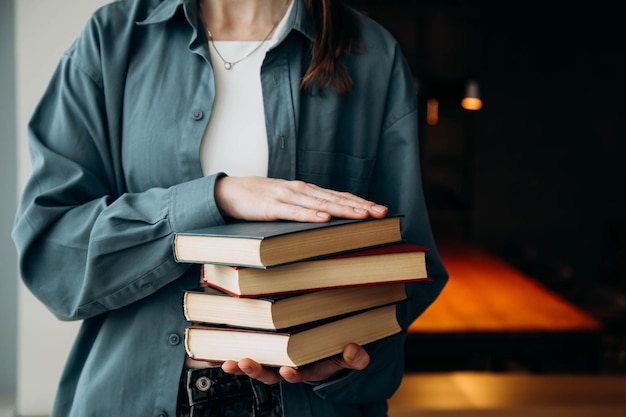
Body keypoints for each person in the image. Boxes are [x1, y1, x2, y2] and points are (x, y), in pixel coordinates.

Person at [12, 0, 448, 416]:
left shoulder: (370, 52)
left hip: (307, 405)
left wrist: (343, 359)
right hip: (133, 395)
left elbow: (408, 268)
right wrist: (216, 199)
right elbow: (52, 250)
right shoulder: (112, 38)